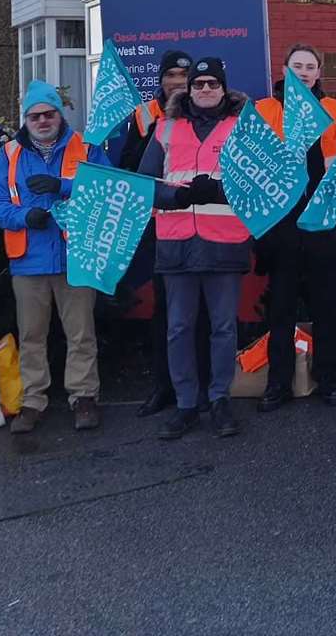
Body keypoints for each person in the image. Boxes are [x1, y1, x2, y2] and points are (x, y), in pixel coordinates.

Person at [0, 80, 109, 433]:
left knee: (81, 333)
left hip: (77, 255)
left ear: (59, 114)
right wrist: (24, 218)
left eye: (48, 113)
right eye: (34, 115)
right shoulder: (9, 155)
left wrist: (62, 186)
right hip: (29, 259)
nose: (42, 120)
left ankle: (84, 398)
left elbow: (109, 188)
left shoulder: (86, 147)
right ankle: (32, 402)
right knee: (32, 335)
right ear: (25, 119)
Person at [137, 57, 252, 441]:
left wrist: (217, 191)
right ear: (188, 88)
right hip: (177, 242)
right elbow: (144, 184)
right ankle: (186, 403)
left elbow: (256, 185)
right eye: (198, 84)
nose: (205, 90)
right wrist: (177, 197)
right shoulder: (165, 128)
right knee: (178, 328)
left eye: (212, 84)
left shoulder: (243, 127)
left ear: (223, 88)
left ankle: (220, 399)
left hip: (224, 242)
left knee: (223, 328)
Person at [253, 44, 336, 410]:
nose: (305, 72)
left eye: (311, 66)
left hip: (322, 226)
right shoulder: (264, 111)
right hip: (281, 229)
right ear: (285, 69)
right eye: (298, 66)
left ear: (319, 73)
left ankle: (329, 380)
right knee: (280, 311)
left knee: (327, 308)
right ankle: (277, 384)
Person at [115, 48, 210, 418]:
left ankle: (200, 387)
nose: (177, 83)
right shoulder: (144, 116)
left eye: (184, 78)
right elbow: (129, 168)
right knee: (166, 312)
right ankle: (163, 386)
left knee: (199, 311)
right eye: (170, 76)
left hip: (202, 224)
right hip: (160, 227)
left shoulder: (204, 117)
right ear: (161, 80)